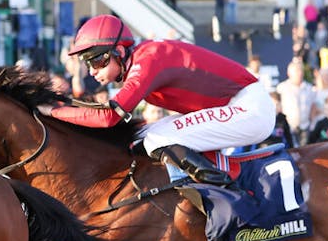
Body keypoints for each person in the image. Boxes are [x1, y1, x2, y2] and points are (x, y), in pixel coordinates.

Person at [51, 15, 272, 187]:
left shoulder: (147, 61)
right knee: (139, 136)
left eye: (97, 61)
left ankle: (226, 192)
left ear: (119, 51)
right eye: (87, 63)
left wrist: (53, 110)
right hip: (236, 105)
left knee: (157, 139)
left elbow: (108, 116)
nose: (91, 71)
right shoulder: (141, 57)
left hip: (249, 108)